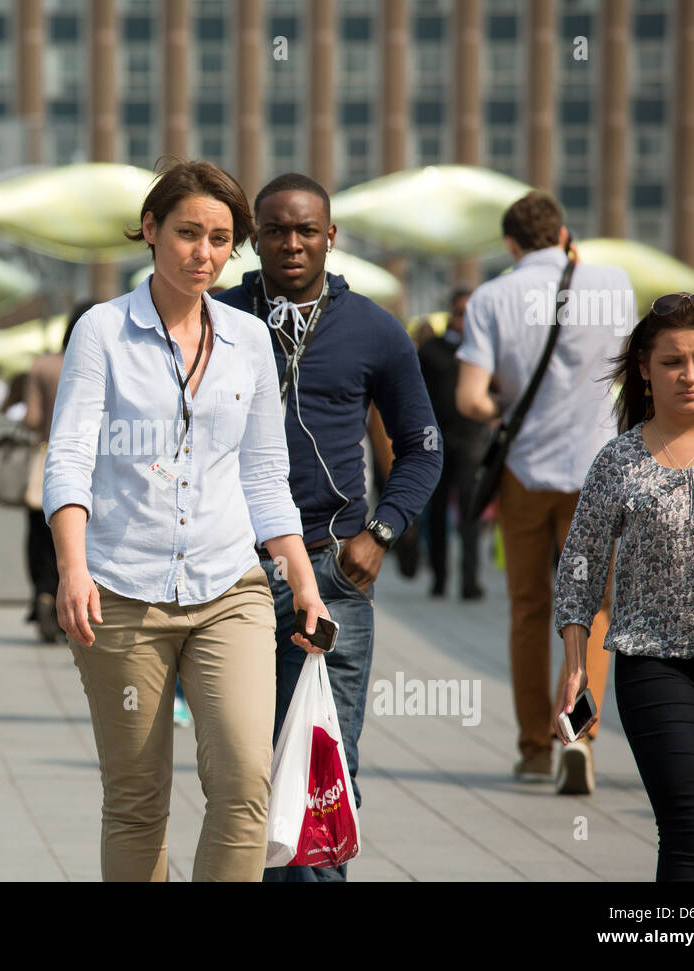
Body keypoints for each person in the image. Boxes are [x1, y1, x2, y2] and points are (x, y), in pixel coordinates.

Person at [45, 158, 331, 882]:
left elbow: (265, 472)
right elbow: (70, 459)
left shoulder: (248, 340)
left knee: (243, 781)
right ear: (150, 229)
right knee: (138, 797)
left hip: (228, 585)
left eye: (219, 239)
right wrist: (72, 569)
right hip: (120, 588)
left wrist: (302, 578)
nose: (203, 253)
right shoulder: (101, 332)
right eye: (187, 233)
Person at [214, 172, 443, 883]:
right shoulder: (218, 318)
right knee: (245, 780)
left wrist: (380, 531)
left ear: (330, 237)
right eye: (276, 229)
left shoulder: (374, 328)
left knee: (320, 772)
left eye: (306, 229)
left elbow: (424, 446)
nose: (290, 242)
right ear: (255, 239)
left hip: (331, 577)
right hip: (228, 578)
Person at [555, 291, 694, 880]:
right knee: (690, 830)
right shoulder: (620, 459)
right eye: (672, 362)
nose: (689, 375)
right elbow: (580, 561)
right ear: (644, 370)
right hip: (657, 664)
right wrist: (575, 661)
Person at [456, 191, 636, 793]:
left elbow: (470, 400)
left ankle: (535, 747)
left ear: (510, 244)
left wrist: (505, 408)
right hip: (598, 472)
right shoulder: (612, 282)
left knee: (529, 610)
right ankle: (579, 738)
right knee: (595, 610)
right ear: (564, 234)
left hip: (526, 475)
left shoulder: (490, 297)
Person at [21, 301, 94, 642]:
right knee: (81, 538)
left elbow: (33, 420)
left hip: (48, 460)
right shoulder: (106, 360)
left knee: (40, 537)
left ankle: (45, 593)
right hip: (94, 464)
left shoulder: (44, 366)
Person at [417, 288, 487, 599]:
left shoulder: (483, 350)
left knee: (471, 513)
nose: (464, 320)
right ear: (451, 314)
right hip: (437, 440)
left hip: (472, 440)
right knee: (437, 510)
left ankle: (469, 580)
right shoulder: (431, 350)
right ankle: (439, 576)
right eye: (460, 313)